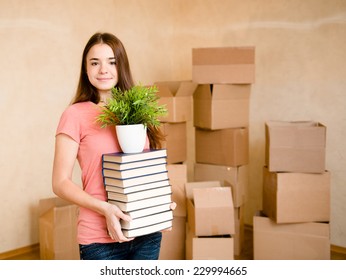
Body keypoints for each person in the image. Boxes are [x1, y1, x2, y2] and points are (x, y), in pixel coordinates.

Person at [52, 32, 174, 260]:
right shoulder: (74, 115)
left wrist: (160, 202)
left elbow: (144, 170)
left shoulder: (139, 111)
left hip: (146, 232)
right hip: (99, 240)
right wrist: (106, 209)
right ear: (85, 69)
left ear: (122, 66)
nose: (103, 70)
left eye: (112, 62)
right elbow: (60, 183)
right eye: (94, 63)